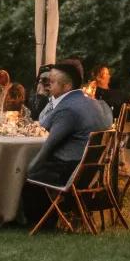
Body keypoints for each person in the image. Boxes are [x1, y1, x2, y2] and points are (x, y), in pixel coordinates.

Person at [22, 60, 109, 227]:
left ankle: (40, 221)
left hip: (70, 171)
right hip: (91, 170)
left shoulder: (67, 108)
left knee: (25, 172)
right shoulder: (93, 102)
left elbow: (48, 145)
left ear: (67, 86)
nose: (48, 86)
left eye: (52, 82)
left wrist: (29, 169)